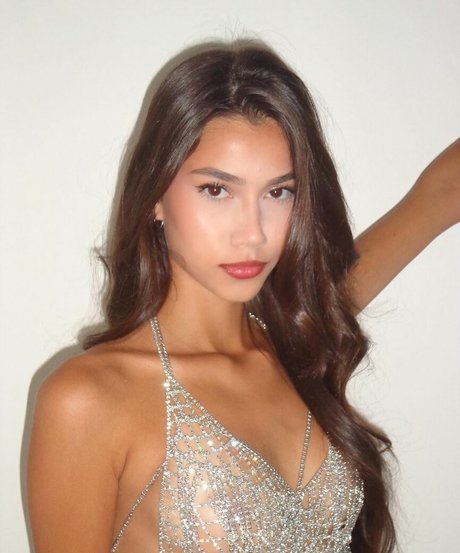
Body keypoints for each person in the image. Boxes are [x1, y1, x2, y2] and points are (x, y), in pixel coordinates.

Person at [26, 40, 460, 553]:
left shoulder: (297, 340)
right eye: (217, 190)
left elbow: (437, 198)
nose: (253, 234)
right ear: (155, 197)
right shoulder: (86, 399)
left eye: (278, 192)